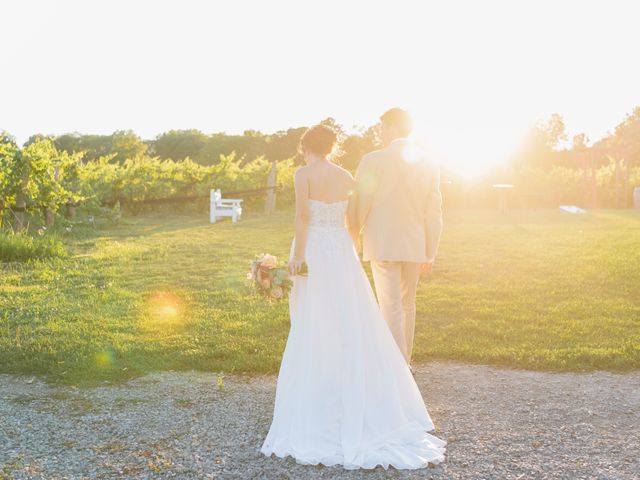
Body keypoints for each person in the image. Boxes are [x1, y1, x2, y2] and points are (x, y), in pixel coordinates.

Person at [260, 123, 445, 470]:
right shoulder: (346, 175)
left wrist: (298, 257)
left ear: (306, 146)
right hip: (340, 251)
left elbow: (302, 216)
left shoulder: (304, 174)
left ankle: (320, 381)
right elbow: (352, 219)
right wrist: (351, 245)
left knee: (312, 315)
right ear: (332, 146)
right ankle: (347, 380)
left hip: (313, 248)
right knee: (348, 315)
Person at [354, 108, 443, 364]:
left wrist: (354, 232)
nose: (381, 133)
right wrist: (431, 250)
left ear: (392, 127)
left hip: (382, 243)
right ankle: (404, 361)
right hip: (414, 245)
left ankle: (398, 366)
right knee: (407, 305)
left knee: (390, 305)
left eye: (382, 127)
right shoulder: (429, 163)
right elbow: (433, 211)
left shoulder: (372, 160)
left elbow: (363, 202)